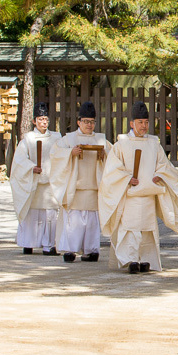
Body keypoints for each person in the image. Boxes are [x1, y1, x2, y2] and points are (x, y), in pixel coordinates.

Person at [98, 101, 178, 274]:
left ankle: (146, 259)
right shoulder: (121, 145)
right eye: (140, 123)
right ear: (131, 123)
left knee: (148, 229)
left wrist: (160, 175)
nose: (144, 126)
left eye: (146, 122)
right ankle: (131, 259)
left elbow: (164, 164)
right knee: (130, 227)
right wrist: (126, 178)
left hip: (148, 193)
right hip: (130, 194)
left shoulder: (154, 143)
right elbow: (112, 170)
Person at [49, 101, 112, 263]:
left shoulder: (101, 140)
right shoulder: (69, 139)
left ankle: (91, 251)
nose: (89, 125)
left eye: (92, 122)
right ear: (79, 122)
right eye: (86, 121)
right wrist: (70, 152)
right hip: (75, 188)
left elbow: (114, 158)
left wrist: (104, 155)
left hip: (93, 187)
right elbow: (55, 154)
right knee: (74, 221)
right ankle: (70, 250)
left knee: (91, 222)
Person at [9, 102, 61, 256]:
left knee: (50, 214)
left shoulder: (56, 138)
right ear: (34, 121)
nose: (44, 122)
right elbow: (19, 160)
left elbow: (61, 155)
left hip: (50, 183)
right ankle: (28, 243)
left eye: (45, 119)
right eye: (40, 119)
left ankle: (49, 245)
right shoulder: (28, 139)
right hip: (33, 182)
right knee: (31, 214)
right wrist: (31, 167)